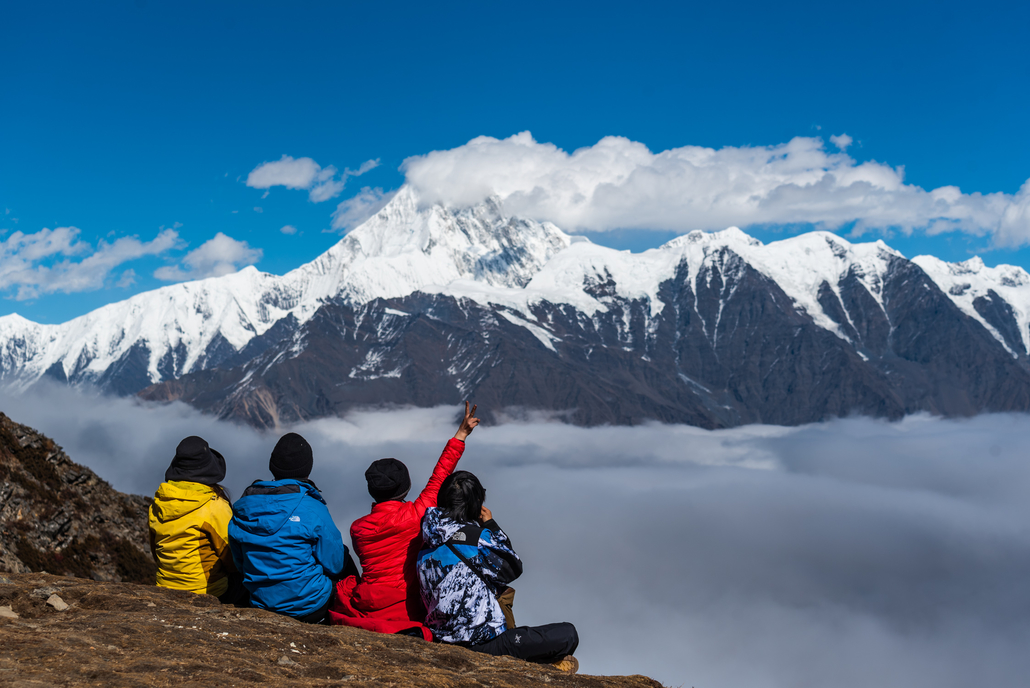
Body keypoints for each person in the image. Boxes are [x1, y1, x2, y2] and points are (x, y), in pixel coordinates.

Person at [330, 402, 480, 639]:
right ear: (406, 488)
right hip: (407, 608)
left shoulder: (357, 528)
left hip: (367, 603)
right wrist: (460, 434)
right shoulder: (416, 515)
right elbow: (440, 476)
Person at [417, 470, 580, 673]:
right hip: (480, 643)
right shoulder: (476, 538)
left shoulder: (426, 538)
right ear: (475, 504)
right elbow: (512, 568)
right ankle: (538, 667)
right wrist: (491, 525)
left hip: (440, 635)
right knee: (567, 634)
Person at [228, 432, 357, 623]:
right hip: (309, 606)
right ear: (307, 468)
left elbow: (240, 563)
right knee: (344, 557)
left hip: (260, 601)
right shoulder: (312, 507)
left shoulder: (244, 506)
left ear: (273, 466)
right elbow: (335, 565)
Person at [149, 436, 245, 604]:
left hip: (163, 588)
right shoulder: (214, 507)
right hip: (208, 592)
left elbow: (156, 552)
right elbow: (231, 560)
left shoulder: (158, 504)